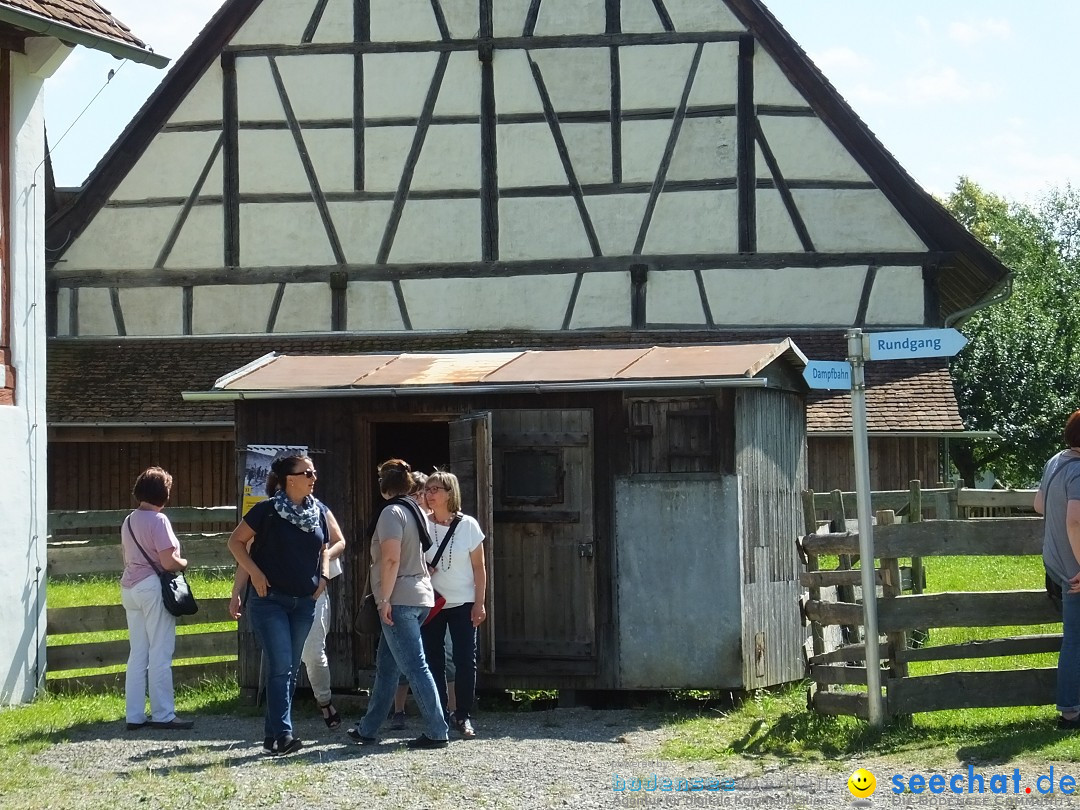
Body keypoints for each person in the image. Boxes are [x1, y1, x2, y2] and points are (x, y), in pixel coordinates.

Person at [228, 455, 335, 755]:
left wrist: (323, 576)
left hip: (304, 602)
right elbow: (235, 542)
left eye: (314, 472)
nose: (314, 477)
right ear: (290, 479)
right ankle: (285, 736)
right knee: (281, 666)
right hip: (269, 601)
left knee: (287, 668)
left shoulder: (316, 512)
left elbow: (325, 547)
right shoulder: (267, 510)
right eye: (308, 473)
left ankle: (270, 735)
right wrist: (255, 573)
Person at [348, 459, 449, 749]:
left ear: (383, 486)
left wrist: (384, 600)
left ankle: (436, 730)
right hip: (419, 596)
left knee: (415, 666)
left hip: (399, 598)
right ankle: (368, 728)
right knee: (388, 668)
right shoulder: (416, 511)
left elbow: (391, 559)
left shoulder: (391, 513)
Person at [120, 466, 195, 731]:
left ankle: (134, 715)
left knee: (138, 653)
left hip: (130, 588)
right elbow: (167, 561)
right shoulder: (159, 520)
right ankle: (164, 714)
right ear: (163, 493)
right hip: (153, 588)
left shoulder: (129, 520)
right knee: (160, 652)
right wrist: (183, 561)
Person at [420, 470, 487, 738]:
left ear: (450, 493)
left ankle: (463, 715)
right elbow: (409, 559)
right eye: (427, 489)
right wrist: (423, 567)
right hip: (431, 602)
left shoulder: (468, 525)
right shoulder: (421, 523)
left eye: (435, 489)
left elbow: (479, 568)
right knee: (432, 660)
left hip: (462, 602)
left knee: (464, 659)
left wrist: (479, 603)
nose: (429, 494)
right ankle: (440, 715)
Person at [1035, 409, 1080, 729]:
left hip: (1054, 563)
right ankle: (1070, 712)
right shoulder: (1078, 470)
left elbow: (1039, 504)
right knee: (1075, 641)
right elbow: (1074, 519)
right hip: (1074, 573)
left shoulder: (1056, 462)